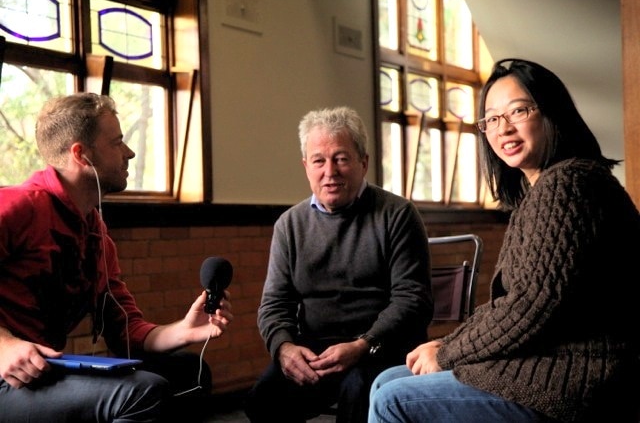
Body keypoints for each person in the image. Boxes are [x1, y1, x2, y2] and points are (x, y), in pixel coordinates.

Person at [368, 58, 640, 423]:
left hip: (578, 377)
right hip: (547, 362)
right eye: (492, 119)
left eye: (518, 111)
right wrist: (448, 344)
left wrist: (448, 353)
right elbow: (518, 302)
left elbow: (530, 306)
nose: (503, 128)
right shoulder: (544, 189)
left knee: (393, 400)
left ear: (551, 113)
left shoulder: (569, 184)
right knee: (386, 381)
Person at [0, 92, 234, 422]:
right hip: (6, 375)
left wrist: (184, 329)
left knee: (189, 374)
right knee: (142, 393)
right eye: (117, 142)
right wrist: (4, 346)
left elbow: (127, 331)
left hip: (43, 369)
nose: (130, 152)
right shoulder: (18, 206)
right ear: (81, 155)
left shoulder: (95, 231)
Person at [244, 106, 433, 423]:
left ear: (364, 162)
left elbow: (413, 299)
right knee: (264, 398)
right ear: (306, 166)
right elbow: (274, 303)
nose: (329, 171)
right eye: (319, 160)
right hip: (316, 351)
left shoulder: (397, 214)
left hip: (382, 347)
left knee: (359, 389)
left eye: (341, 159)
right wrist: (284, 348)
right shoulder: (289, 225)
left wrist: (363, 344)